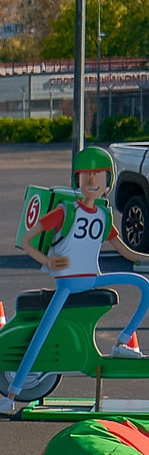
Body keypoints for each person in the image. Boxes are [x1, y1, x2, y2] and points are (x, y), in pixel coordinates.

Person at [10, 145, 149, 392]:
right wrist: (48, 261)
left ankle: (122, 343)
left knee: (144, 286)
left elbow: (126, 252)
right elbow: (25, 240)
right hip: (67, 283)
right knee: (41, 334)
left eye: (99, 175)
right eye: (86, 175)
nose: (92, 180)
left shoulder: (104, 216)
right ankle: (12, 392)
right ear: (78, 179)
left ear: (109, 181)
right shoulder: (66, 211)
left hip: (92, 278)